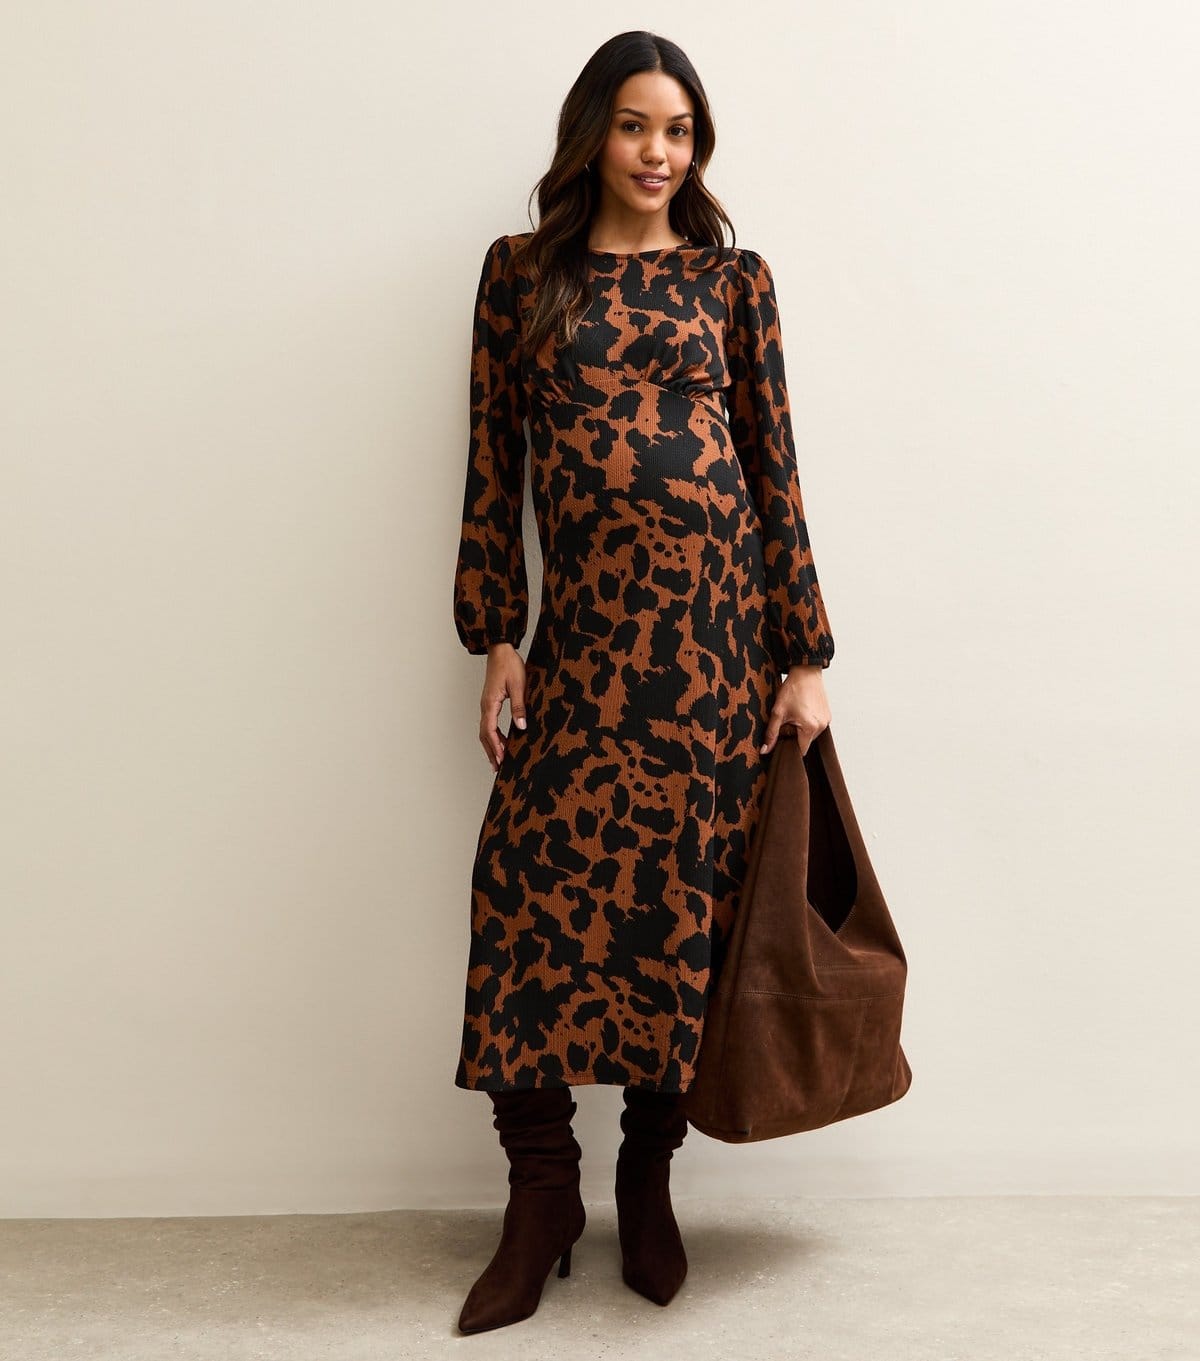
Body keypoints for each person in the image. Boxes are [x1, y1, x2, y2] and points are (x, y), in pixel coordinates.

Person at [450, 30, 834, 1335]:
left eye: (678, 129)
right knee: (522, 900)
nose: (658, 151)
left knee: (685, 910)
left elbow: (774, 469)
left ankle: (646, 1180)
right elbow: (493, 464)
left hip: (718, 649)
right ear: (590, 135)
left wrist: (804, 654)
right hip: (582, 651)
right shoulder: (522, 277)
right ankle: (542, 1195)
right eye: (633, 125)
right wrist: (498, 633)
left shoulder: (732, 281)